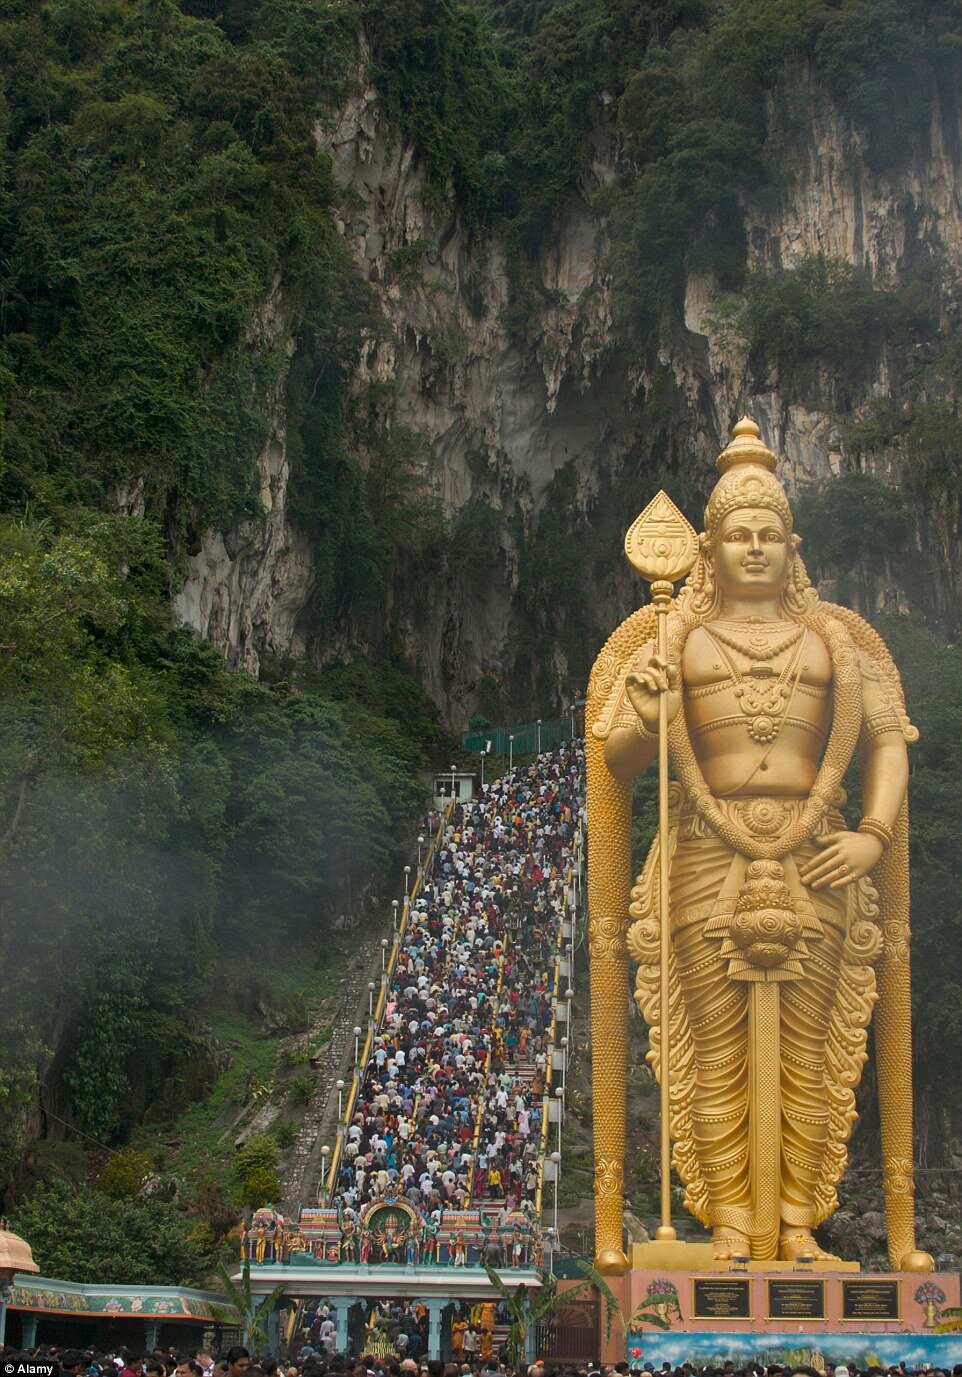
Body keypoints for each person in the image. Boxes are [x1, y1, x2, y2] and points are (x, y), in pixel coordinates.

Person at [593, 417, 920, 1266]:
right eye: (737, 534)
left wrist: (874, 837)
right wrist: (654, 711)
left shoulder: (834, 641)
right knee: (715, 1046)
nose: (754, 548)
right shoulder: (676, 638)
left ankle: (801, 1221)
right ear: (707, 546)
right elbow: (618, 754)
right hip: (707, 852)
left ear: (792, 544)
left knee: (813, 1050)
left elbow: (888, 741)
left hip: (821, 855)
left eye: (769, 534)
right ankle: (733, 1219)